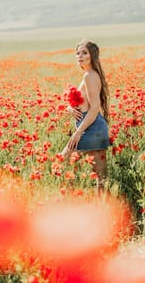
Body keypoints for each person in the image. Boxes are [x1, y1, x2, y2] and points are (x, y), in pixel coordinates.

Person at [61, 40, 110, 187]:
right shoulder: (92, 74)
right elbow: (88, 104)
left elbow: (94, 108)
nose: (79, 56)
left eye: (84, 53)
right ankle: (102, 204)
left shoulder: (89, 76)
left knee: (62, 162)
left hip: (90, 127)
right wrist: (70, 108)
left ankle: (71, 199)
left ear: (92, 56)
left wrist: (78, 132)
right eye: (77, 53)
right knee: (100, 178)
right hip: (96, 126)